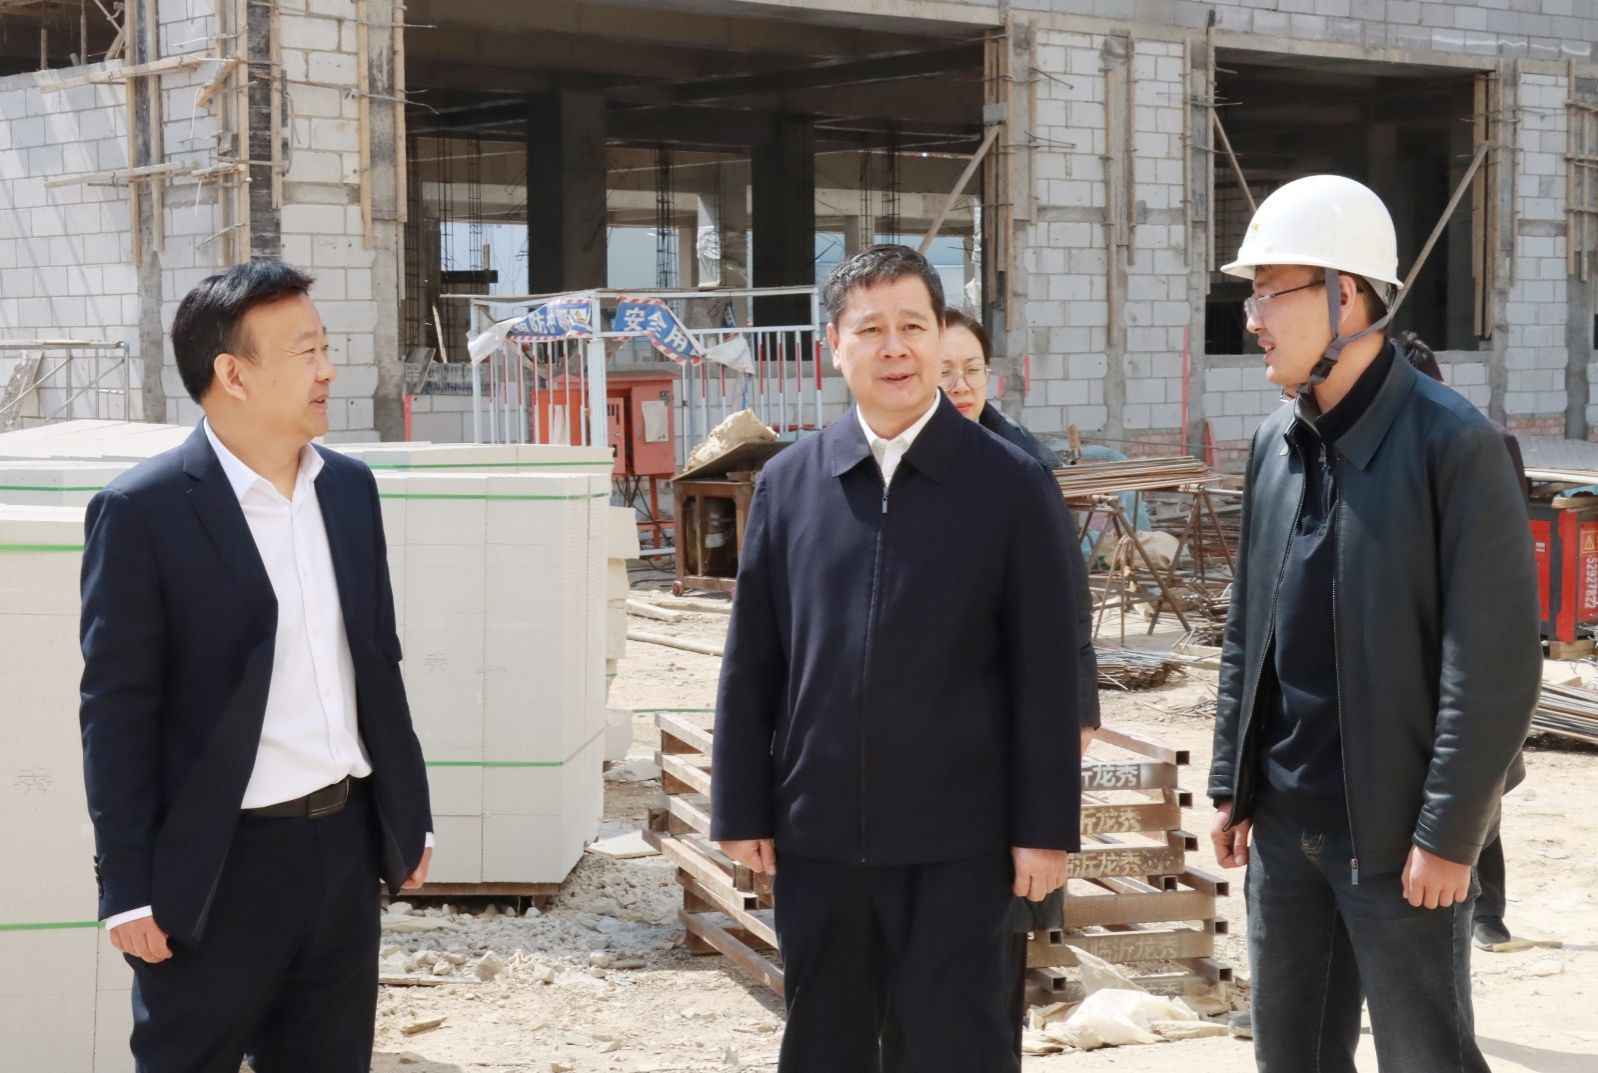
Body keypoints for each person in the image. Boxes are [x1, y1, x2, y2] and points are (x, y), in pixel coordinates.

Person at [711, 244, 1083, 1073]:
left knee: (956, 1046)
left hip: (965, 844)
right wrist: (740, 804)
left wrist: (1045, 830)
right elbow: (753, 661)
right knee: (828, 1044)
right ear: (833, 346)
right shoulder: (791, 483)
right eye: (870, 329)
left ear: (939, 335)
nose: (895, 348)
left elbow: (1049, 674)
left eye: (913, 326)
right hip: (819, 838)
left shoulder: (1010, 484)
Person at [1206, 175, 1540, 1072]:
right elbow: (1248, 626)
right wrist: (1233, 778)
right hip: (1285, 828)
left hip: (1398, 839)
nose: (1253, 318)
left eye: (1269, 292)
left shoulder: (1453, 445)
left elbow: (1495, 664)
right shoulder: (1275, 443)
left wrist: (1449, 834)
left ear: (1344, 294)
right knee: (1292, 1058)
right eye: (1251, 296)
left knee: (1426, 1056)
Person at [79, 261, 434, 1072]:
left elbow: (378, 661)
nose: (328, 370)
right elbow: (117, 707)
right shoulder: (144, 511)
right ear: (232, 375)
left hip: (342, 848)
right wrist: (126, 885)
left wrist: (408, 811)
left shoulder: (348, 489)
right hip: (217, 865)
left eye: (326, 347)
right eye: (306, 351)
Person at [941, 306, 1100, 1040]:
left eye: (972, 370)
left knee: (996, 918)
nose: (961, 385)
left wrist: (1079, 710)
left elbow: (1071, 599)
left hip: (1009, 711)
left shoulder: (1022, 466)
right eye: (946, 372)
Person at [1396, 330, 1528, 952]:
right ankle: (1479, 914)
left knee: (1476, 780)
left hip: (1464, 638)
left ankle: (1485, 912)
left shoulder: (1479, 441)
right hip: (1410, 644)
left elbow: (1504, 552)